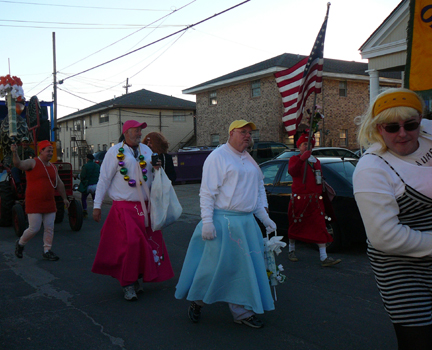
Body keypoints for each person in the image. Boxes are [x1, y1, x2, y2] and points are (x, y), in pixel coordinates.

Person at [175, 119, 277, 329]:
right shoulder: (218, 157)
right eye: (242, 132)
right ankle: (197, 302)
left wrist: (265, 219)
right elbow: (207, 192)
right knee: (215, 270)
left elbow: (257, 192)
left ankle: (242, 312)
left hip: (247, 225)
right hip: (224, 224)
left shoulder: (249, 160)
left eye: (249, 132)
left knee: (243, 271)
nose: (247, 135)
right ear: (231, 133)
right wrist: (207, 222)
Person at [353, 88, 432, 350]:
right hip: (403, 268)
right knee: (419, 339)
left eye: (410, 124)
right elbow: (385, 237)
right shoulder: (372, 168)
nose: (402, 133)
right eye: (391, 127)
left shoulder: (429, 133)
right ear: (377, 128)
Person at [92, 120, 174, 301]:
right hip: (124, 207)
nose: (139, 133)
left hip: (145, 206)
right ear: (126, 132)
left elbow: (153, 174)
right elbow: (104, 179)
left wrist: (157, 167)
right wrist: (97, 206)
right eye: (136, 130)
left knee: (146, 245)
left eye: (140, 130)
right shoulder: (114, 153)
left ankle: (135, 279)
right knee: (131, 245)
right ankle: (127, 284)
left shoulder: (146, 151)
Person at [287, 132, 341, 267]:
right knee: (296, 225)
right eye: (304, 144)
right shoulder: (294, 159)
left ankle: (324, 257)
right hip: (300, 200)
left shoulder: (315, 161)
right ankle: (291, 250)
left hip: (315, 200)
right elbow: (292, 172)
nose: (307, 147)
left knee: (320, 226)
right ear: (299, 146)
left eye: (309, 144)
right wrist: (302, 160)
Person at [11, 140, 69, 261]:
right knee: (34, 228)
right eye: (48, 151)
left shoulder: (53, 167)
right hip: (34, 202)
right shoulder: (33, 162)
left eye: (52, 151)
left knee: (49, 227)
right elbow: (18, 164)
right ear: (41, 151)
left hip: (49, 203)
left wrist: (64, 198)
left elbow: (60, 184)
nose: (50, 153)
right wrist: (14, 152)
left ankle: (47, 250)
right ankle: (20, 243)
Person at [78, 154, 100, 218]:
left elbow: (82, 176)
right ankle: (96, 211)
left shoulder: (85, 166)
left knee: (84, 198)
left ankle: (85, 211)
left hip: (87, 186)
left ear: (87, 159)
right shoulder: (97, 166)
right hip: (95, 186)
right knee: (95, 199)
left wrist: (77, 176)